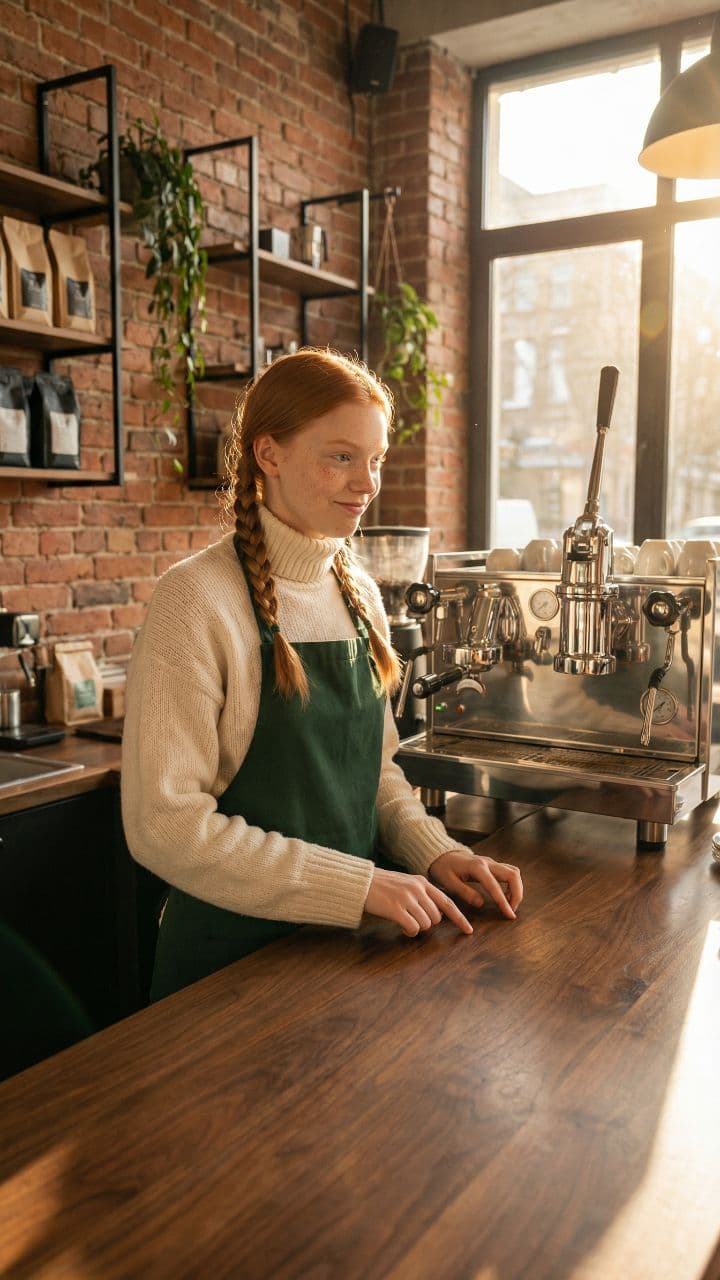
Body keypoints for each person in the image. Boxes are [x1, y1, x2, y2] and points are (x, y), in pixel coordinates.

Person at [121, 348, 523, 1000]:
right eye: (340, 456)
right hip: (224, 977)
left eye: (375, 460)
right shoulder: (194, 600)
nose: (366, 483)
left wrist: (435, 852)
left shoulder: (358, 592)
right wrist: (360, 885)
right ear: (269, 454)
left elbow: (377, 776)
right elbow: (165, 828)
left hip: (349, 953)